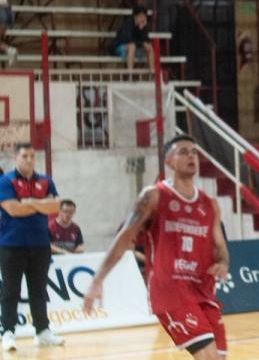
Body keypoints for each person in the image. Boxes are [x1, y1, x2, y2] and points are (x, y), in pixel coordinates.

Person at [84, 136, 230, 359]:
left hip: (203, 290)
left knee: (218, 358)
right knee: (208, 356)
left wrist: (222, 263)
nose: (191, 155)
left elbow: (219, 246)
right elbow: (124, 238)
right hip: (170, 290)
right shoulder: (154, 196)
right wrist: (97, 280)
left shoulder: (210, 204)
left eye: (194, 151)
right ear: (169, 161)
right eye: (183, 151)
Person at [0, 144, 64, 350]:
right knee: (11, 290)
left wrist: (28, 201)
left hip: (40, 245)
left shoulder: (46, 181)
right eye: (24, 156)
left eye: (32, 156)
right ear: (15, 158)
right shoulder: (5, 181)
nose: (29, 160)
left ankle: (42, 331)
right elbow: (13, 209)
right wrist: (40, 203)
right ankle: (8, 332)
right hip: (11, 245)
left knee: (38, 290)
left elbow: (55, 206)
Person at [114, 6, 154, 70]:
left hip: (136, 48)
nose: (143, 18)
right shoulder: (127, 23)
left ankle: (153, 73)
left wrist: (141, 30)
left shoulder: (143, 26)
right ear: (135, 16)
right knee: (132, 46)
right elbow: (128, 39)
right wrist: (142, 43)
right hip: (121, 47)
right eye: (140, 16)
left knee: (149, 47)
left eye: (144, 16)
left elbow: (147, 40)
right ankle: (130, 74)